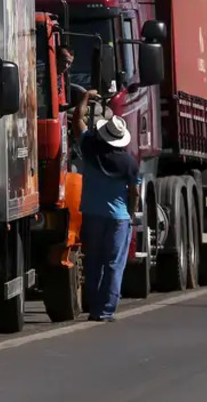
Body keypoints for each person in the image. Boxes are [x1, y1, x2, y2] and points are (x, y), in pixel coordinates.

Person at [71, 90, 139, 322]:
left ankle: (93, 306)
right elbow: (135, 191)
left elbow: (77, 120)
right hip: (118, 218)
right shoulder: (129, 163)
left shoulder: (90, 148)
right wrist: (130, 214)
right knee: (114, 264)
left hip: (92, 214)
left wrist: (85, 98)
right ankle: (106, 309)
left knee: (93, 261)